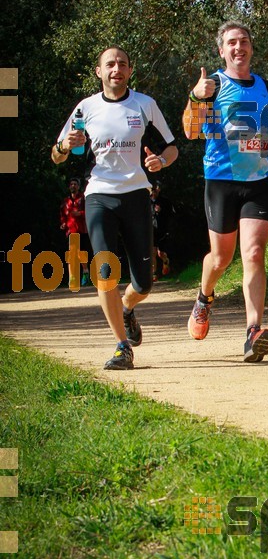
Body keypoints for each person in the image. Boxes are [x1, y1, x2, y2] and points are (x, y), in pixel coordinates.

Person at [52, 46, 178, 370]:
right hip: (99, 196)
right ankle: (122, 346)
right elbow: (57, 154)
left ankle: (127, 307)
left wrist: (160, 160)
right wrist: (65, 145)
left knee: (145, 283)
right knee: (105, 272)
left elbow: (173, 147)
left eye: (122, 64)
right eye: (110, 64)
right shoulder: (85, 109)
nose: (116, 69)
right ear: (99, 72)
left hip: (136, 194)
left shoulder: (145, 105)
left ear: (129, 70)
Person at [182, 21, 268, 362]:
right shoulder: (212, 86)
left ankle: (253, 331)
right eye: (231, 42)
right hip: (221, 181)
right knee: (221, 258)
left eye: (244, 41)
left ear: (251, 48)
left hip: (259, 181)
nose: (238, 47)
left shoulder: (264, 85)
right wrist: (194, 97)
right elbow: (190, 132)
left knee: (255, 253)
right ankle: (204, 297)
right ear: (222, 51)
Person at [60, 176, 91, 286]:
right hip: (70, 231)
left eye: (75, 184)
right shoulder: (66, 201)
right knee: (71, 254)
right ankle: (72, 277)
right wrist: (63, 223)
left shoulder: (83, 198)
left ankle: (85, 272)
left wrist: (80, 214)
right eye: (71, 184)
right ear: (69, 187)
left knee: (81, 253)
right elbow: (63, 215)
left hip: (81, 229)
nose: (73, 186)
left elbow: (89, 211)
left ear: (78, 186)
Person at [150, 180, 175, 280]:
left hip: (163, 230)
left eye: (156, 189)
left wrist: (161, 212)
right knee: (153, 252)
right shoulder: (145, 201)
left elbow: (171, 215)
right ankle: (154, 273)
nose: (154, 192)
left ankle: (165, 261)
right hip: (151, 231)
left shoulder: (165, 202)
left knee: (161, 253)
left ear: (159, 189)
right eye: (152, 190)